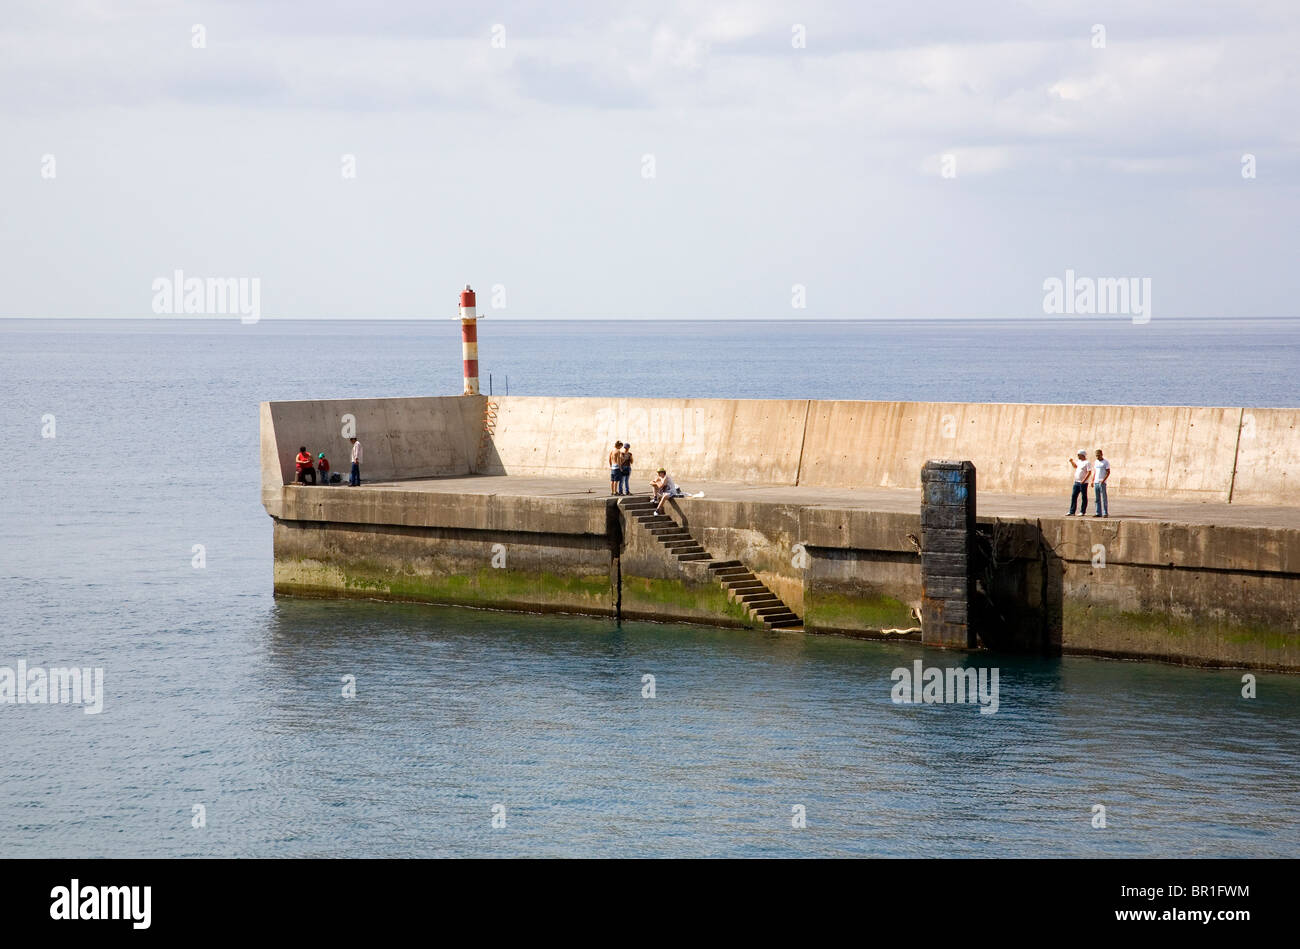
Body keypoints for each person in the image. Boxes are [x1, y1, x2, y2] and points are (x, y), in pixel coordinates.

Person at [1066, 449, 1091, 516]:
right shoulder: (1079, 461)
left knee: (1084, 497)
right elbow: (1075, 466)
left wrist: (1084, 480)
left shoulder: (1087, 462)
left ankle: (1083, 511)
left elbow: (1089, 472)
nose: (1077, 456)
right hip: (1076, 482)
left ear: (1082, 455)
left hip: (1083, 483)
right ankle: (1072, 511)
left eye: (1078, 455)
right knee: (1074, 496)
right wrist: (1071, 462)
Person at [1092, 448, 1111, 518]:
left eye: (1099, 455)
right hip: (1096, 482)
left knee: (1104, 498)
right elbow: (1095, 472)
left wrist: (1104, 480)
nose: (1097, 457)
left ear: (1101, 455)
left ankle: (1105, 512)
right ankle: (1098, 512)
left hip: (1102, 482)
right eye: (1096, 456)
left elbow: (1108, 472)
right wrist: (1092, 480)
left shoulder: (1105, 462)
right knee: (1097, 498)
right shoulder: (1096, 462)